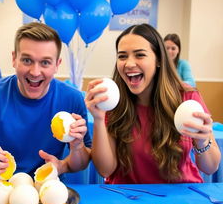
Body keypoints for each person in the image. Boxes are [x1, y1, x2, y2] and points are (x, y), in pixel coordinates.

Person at [85, 24, 220, 184]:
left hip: (181, 197)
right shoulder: (112, 101)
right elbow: (105, 170)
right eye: (122, 56)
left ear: (158, 60)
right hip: (128, 199)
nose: (128, 63)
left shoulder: (187, 96)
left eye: (140, 55)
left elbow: (210, 167)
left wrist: (203, 142)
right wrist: (99, 119)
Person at [0, 22, 91, 181]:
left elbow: (80, 165)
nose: (35, 72)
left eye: (45, 62)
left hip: (45, 187)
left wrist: (76, 147)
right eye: (27, 60)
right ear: (14, 59)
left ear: (57, 65)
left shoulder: (72, 98)